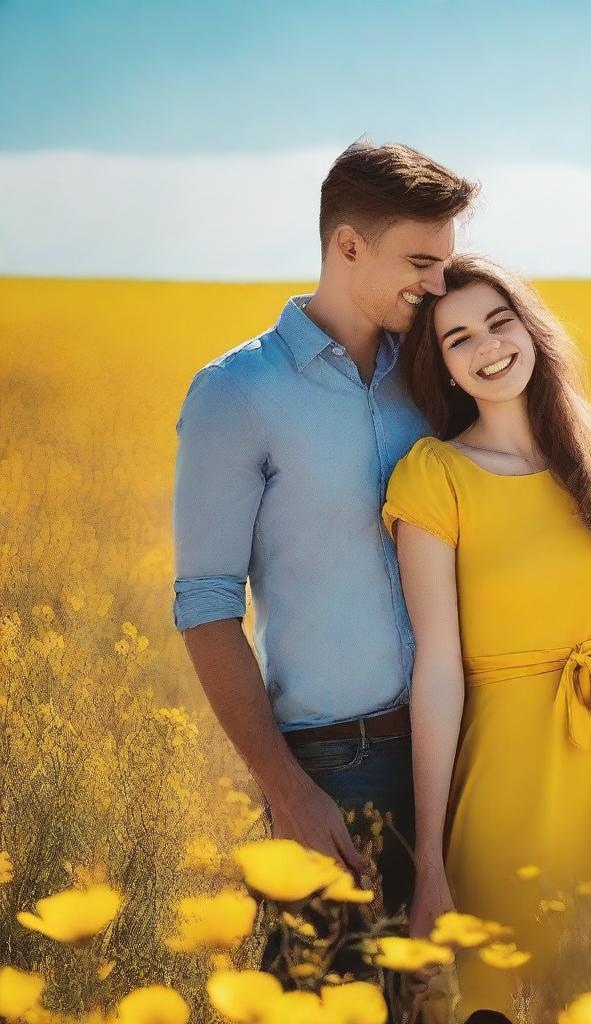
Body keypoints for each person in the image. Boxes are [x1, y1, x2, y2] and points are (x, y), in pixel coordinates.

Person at [171, 138, 479, 1017]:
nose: (436, 284)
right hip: (334, 766)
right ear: (348, 246)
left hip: (466, 745)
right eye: (420, 262)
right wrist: (288, 791)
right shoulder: (236, 392)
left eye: (446, 263)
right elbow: (205, 607)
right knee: (331, 1001)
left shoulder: (431, 373)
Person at [380, 252, 591, 1023]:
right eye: (459, 340)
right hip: (504, 783)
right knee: (498, 1003)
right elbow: (439, 673)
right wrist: (428, 867)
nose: (487, 348)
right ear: (443, 369)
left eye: (499, 321)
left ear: (531, 329)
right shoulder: (435, 476)